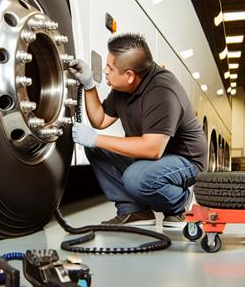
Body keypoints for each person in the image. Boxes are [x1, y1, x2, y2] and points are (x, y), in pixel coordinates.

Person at [69, 32, 207, 229]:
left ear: (129, 76)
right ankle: (134, 211)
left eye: (110, 68)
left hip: (186, 162)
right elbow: (99, 120)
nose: (105, 71)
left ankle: (183, 205)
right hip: (153, 160)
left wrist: (96, 139)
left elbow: (152, 149)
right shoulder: (123, 89)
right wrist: (89, 85)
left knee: (136, 177)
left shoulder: (162, 91)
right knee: (95, 148)